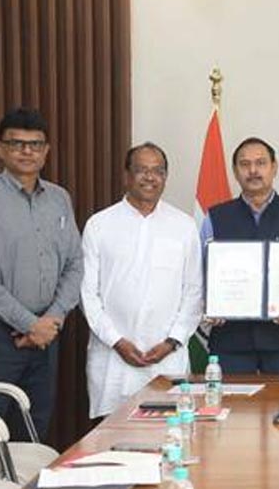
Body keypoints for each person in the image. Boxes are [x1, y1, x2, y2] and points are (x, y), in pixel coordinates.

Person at [0, 107, 83, 441]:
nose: (27, 151)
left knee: (33, 431)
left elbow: (75, 264)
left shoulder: (59, 199)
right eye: (17, 144)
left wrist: (52, 319)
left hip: (46, 335)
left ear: (46, 150)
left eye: (35, 144)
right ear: (0, 149)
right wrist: (30, 324)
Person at [81, 143, 202, 418]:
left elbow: (194, 291)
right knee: (113, 436)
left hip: (168, 357)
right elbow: (87, 294)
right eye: (142, 170)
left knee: (171, 435)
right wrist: (117, 341)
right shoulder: (99, 224)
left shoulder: (184, 226)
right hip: (113, 359)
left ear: (165, 177)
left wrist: (172, 341)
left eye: (158, 171)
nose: (150, 177)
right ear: (126, 175)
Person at [201, 137, 279, 374]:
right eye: (245, 164)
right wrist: (211, 304)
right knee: (231, 399)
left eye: (261, 163)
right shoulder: (215, 217)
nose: (253, 170)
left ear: (274, 167)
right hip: (230, 339)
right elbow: (201, 271)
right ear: (235, 171)